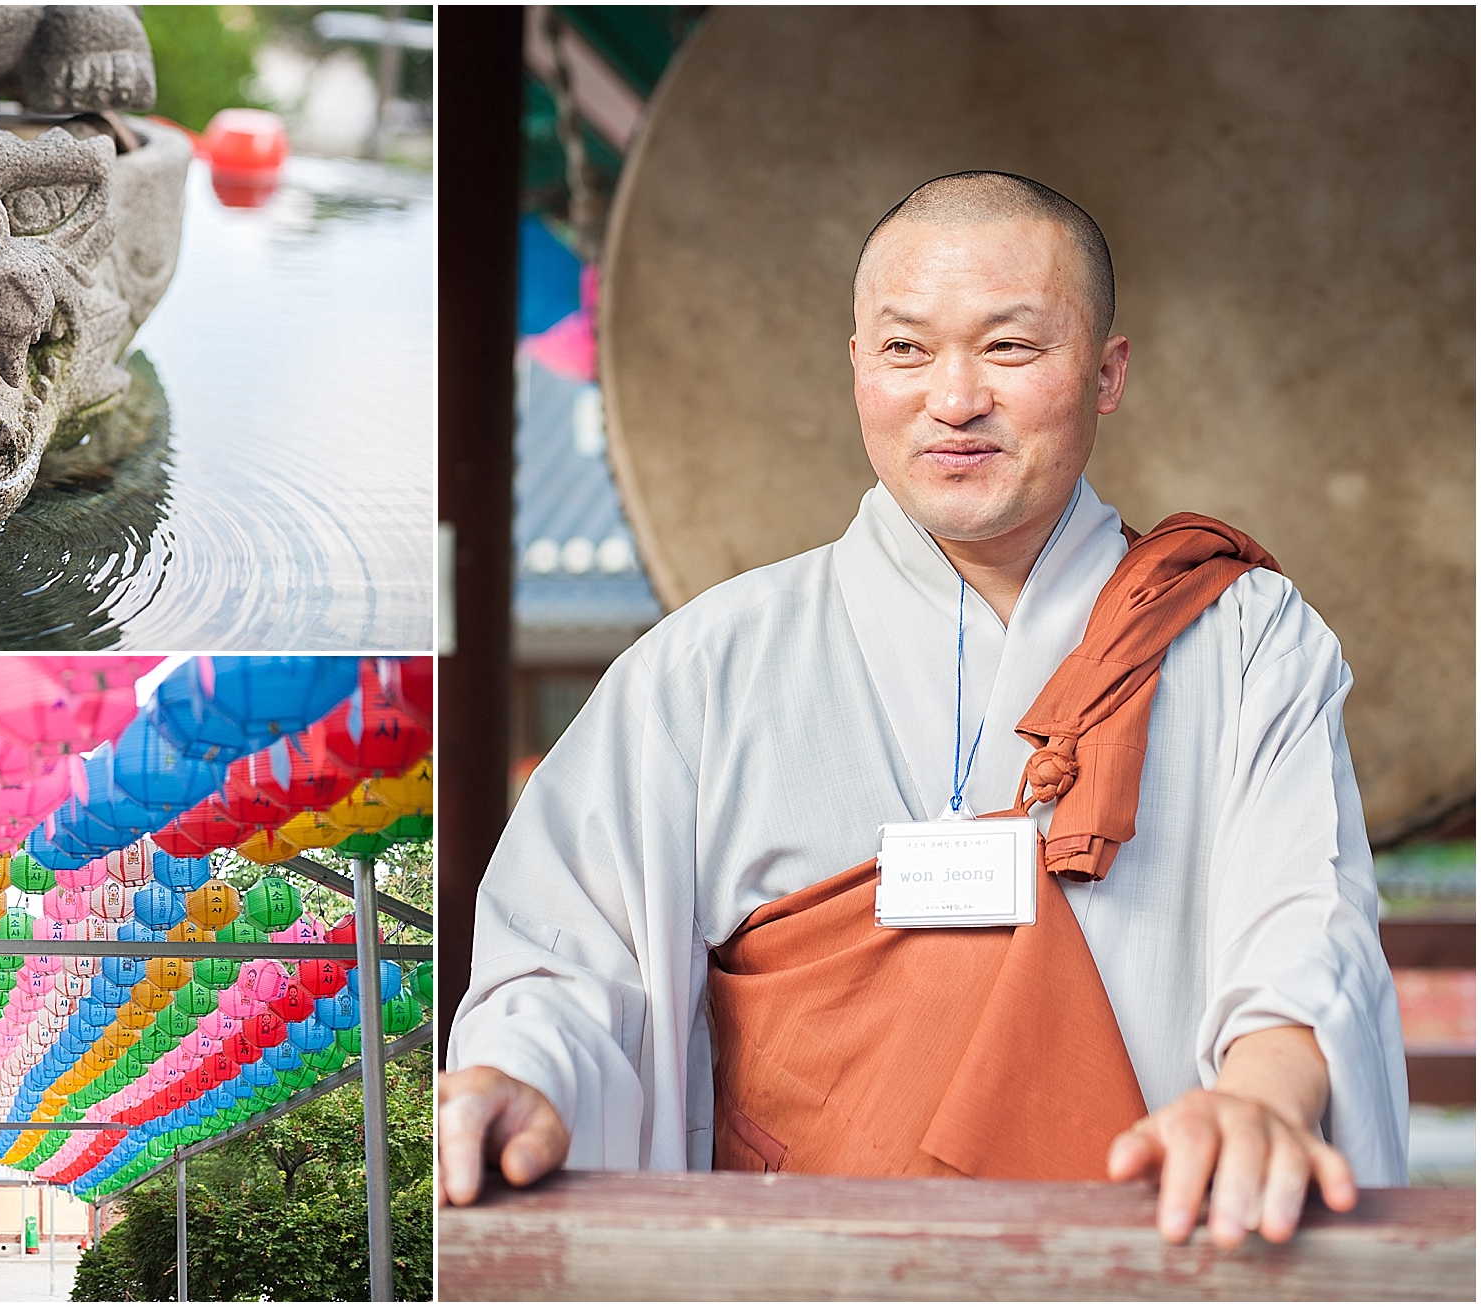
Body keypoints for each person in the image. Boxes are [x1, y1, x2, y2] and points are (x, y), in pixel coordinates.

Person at [440, 171, 1407, 1249]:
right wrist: (516, 1074)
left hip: (1139, 1254)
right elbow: (573, 954)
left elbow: (1302, 917)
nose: (953, 398)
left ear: (1104, 371)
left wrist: (1263, 1097)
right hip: (803, 1271)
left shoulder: (1239, 639)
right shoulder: (703, 667)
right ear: (858, 368)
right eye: (905, 350)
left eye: (1008, 347)